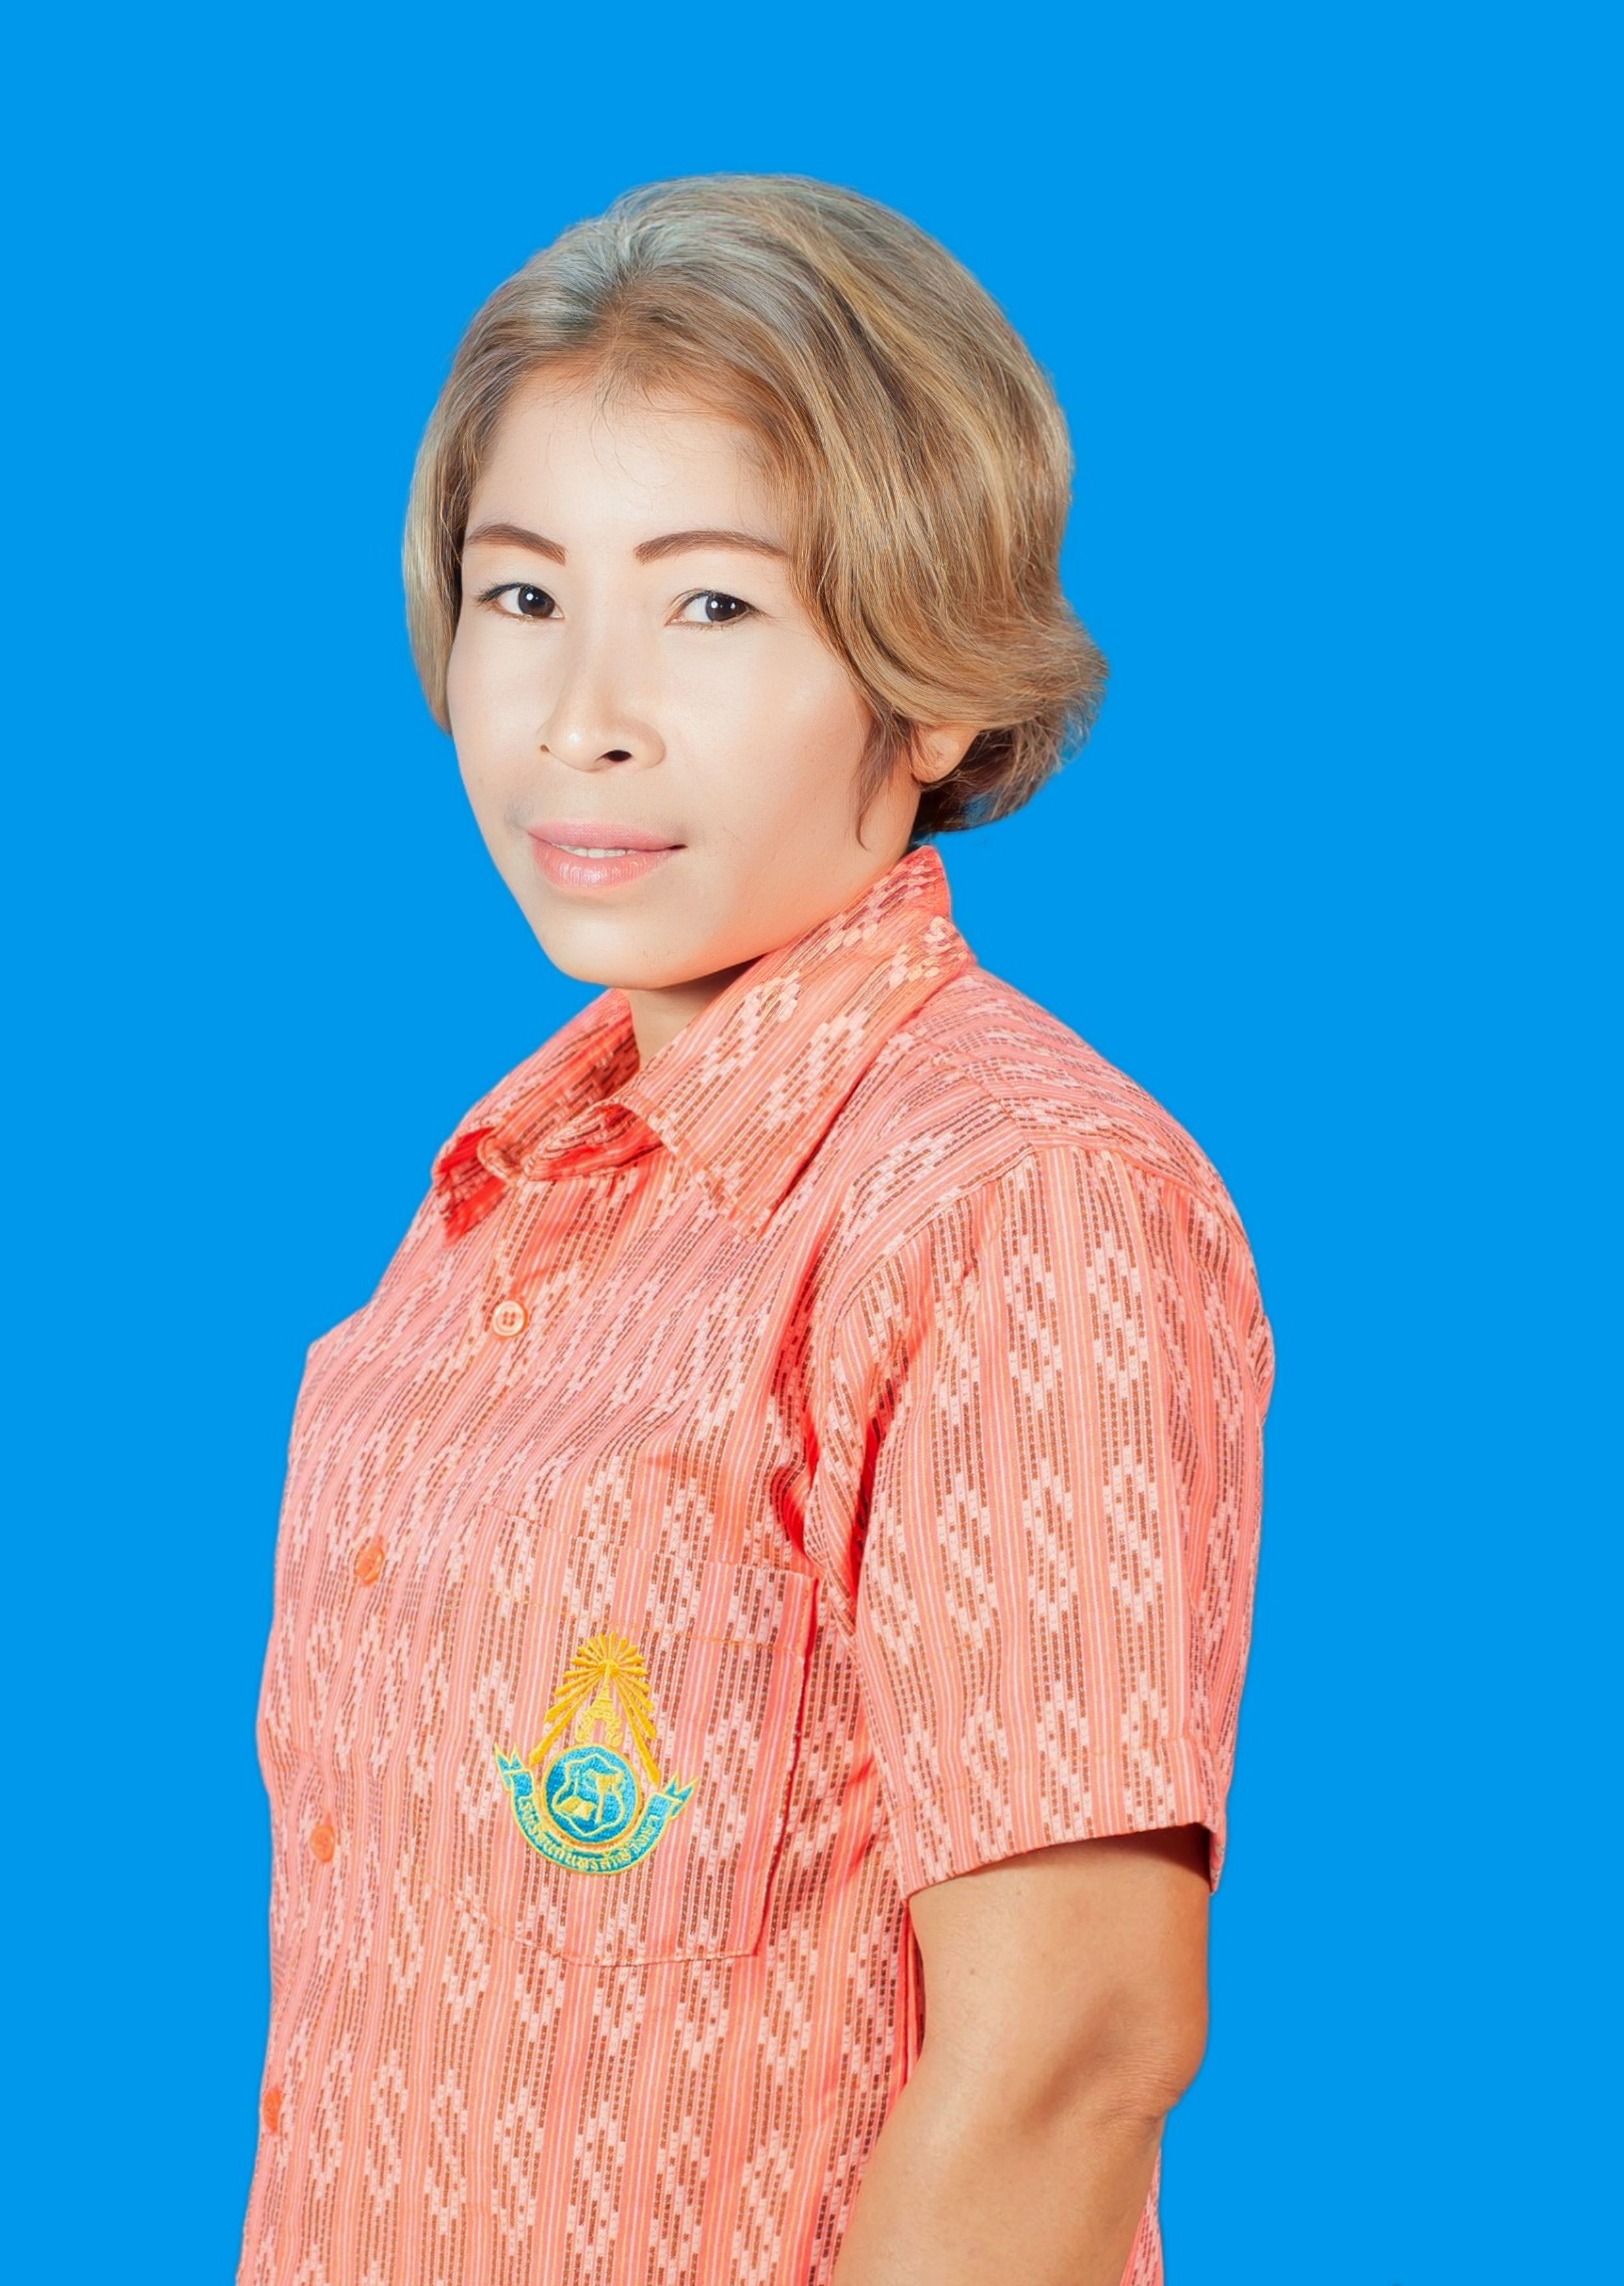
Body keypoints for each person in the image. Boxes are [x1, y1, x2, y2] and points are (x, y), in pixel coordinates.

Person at [235, 173, 1274, 2286]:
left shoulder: (1011, 1196)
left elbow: (1072, 2054)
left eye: (711, 607)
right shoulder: (510, 1183)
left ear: (934, 683)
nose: (582, 712)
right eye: (522, 595)